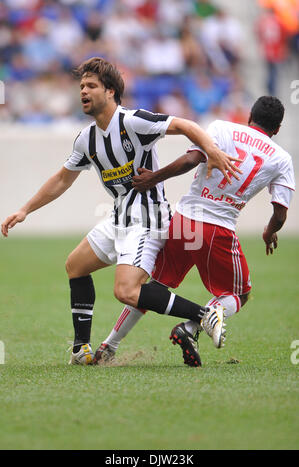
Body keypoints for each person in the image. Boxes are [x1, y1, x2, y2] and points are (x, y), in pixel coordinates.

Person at [1, 57, 241, 366]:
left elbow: (185, 125)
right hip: (119, 218)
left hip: (148, 219)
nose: (83, 92)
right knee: (75, 266)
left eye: (91, 86)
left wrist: (213, 150)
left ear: (111, 91)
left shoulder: (133, 122)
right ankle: (81, 348)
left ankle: (204, 315)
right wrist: (25, 210)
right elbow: (62, 179)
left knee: (126, 291)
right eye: (81, 86)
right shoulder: (86, 138)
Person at [97, 95, 295, 367]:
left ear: (250, 116)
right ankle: (191, 327)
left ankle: (109, 344)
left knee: (152, 288)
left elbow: (190, 160)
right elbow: (281, 212)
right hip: (218, 229)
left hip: (184, 219)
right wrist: (270, 231)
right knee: (239, 294)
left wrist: (153, 178)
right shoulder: (282, 158)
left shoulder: (221, 128)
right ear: (278, 129)